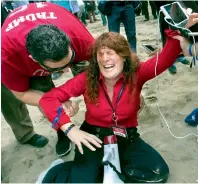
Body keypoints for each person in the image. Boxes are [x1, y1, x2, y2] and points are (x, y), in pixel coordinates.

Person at [38, 29, 182, 183]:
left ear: (124, 57)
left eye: (111, 52)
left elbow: (166, 58)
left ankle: (106, 167)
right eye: (100, 54)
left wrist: (175, 31)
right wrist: (70, 129)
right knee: (81, 181)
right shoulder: (88, 77)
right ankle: (62, 168)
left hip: (126, 134)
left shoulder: (137, 73)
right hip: (93, 136)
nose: (105, 58)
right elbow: (47, 99)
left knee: (157, 174)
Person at [1, 2, 94, 157]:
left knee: (94, 78)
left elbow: (108, 63)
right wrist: (56, 101)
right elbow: (22, 94)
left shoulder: (79, 36)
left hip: (59, 24)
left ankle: (100, 117)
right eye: (57, 69)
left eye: (69, 62)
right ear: (34, 60)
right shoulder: (7, 56)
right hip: (14, 47)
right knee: (14, 98)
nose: (66, 71)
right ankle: (29, 135)